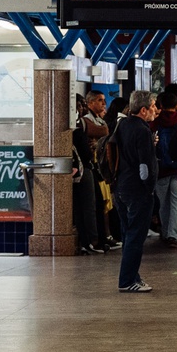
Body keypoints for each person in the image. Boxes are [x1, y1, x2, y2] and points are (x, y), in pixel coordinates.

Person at [109, 89, 159, 292]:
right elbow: (145, 166)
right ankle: (127, 281)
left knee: (128, 233)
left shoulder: (122, 125)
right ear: (144, 109)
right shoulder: (142, 130)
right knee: (136, 237)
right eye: (154, 106)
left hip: (121, 186)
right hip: (137, 190)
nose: (157, 109)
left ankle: (132, 276)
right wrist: (149, 189)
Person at [72, 89, 108, 253]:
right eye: (80, 105)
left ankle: (95, 239)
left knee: (94, 204)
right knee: (88, 206)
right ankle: (92, 241)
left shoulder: (80, 123)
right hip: (82, 168)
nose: (82, 108)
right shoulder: (80, 124)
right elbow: (104, 131)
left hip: (85, 167)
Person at [153, 99, 177, 255]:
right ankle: (173, 235)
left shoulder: (155, 123)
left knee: (163, 203)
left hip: (161, 170)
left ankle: (165, 233)